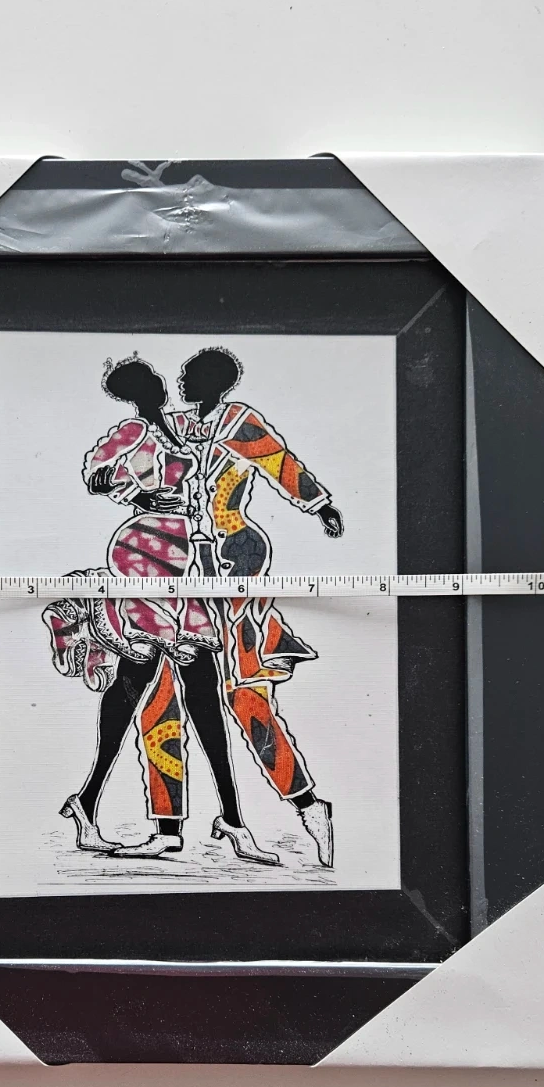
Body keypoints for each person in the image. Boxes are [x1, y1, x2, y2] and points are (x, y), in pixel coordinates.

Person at [43, 355, 279, 865]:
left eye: (157, 383)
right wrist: (137, 491)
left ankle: (89, 802)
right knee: (188, 682)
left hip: (181, 557)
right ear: (136, 393)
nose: (160, 389)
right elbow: (94, 475)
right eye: (147, 385)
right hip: (144, 549)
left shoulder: (178, 428)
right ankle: (233, 821)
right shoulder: (132, 431)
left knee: (156, 683)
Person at [154, 346, 344, 868]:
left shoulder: (240, 422)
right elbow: (141, 457)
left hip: (237, 559)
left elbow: (281, 464)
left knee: (243, 689)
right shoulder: (177, 425)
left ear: (213, 382)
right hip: (184, 566)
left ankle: (307, 806)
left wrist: (320, 504)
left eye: (189, 375)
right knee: (172, 684)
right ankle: (176, 822)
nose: (181, 383)